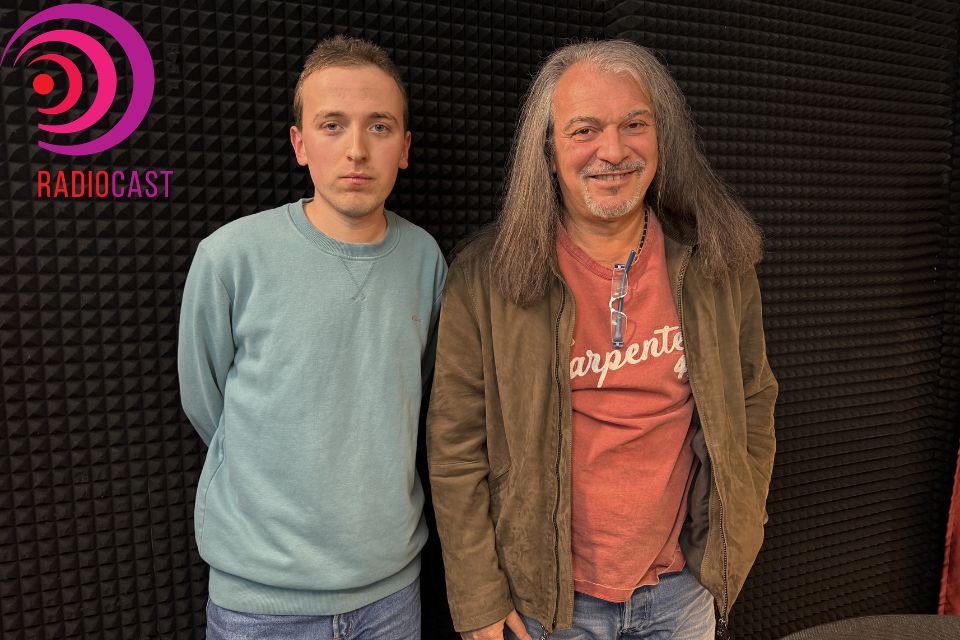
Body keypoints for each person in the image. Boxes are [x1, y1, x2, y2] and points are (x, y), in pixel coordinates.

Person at [427, 39, 777, 640]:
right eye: (584, 130)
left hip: (681, 592)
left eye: (634, 125)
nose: (612, 151)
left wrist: (738, 529)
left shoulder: (716, 261)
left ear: (661, 137)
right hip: (547, 604)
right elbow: (455, 449)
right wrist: (479, 597)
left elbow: (754, 399)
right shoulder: (484, 278)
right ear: (549, 150)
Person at [178, 35, 446, 640]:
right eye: (332, 125)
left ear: (404, 148)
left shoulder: (426, 259)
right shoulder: (230, 257)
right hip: (260, 605)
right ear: (300, 144)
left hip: (392, 595)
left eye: (379, 127)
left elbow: (422, 389)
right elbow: (206, 400)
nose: (356, 150)